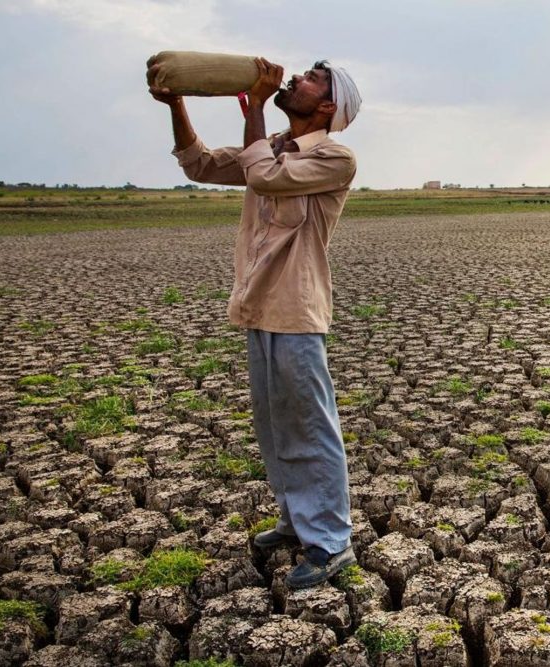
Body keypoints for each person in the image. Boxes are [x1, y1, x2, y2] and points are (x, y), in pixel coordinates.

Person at [148, 56, 362, 589]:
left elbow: (263, 177)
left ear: (329, 104)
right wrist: (178, 103)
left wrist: (258, 107)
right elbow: (198, 164)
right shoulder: (271, 149)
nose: (295, 79)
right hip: (258, 305)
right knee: (275, 426)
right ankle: (296, 523)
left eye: (310, 78)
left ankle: (332, 543)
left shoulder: (335, 156)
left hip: (296, 307)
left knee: (311, 426)